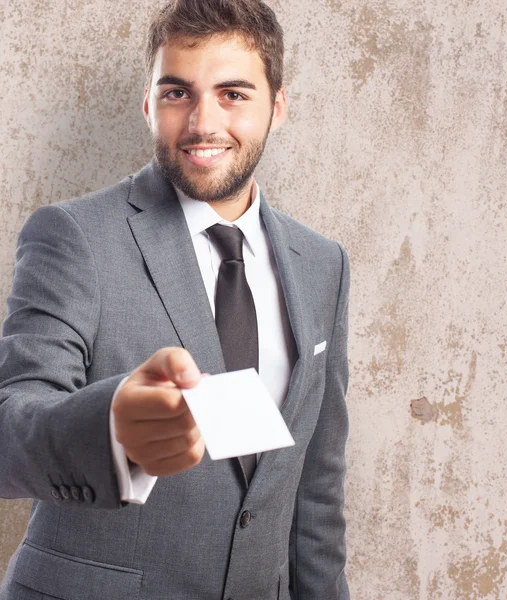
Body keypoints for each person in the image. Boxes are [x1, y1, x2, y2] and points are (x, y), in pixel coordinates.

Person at [0, 0, 350, 598]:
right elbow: (10, 426)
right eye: (177, 93)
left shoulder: (323, 264)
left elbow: (314, 487)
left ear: (279, 106)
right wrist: (111, 427)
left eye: (234, 94)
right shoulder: (73, 235)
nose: (201, 124)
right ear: (148, 103)